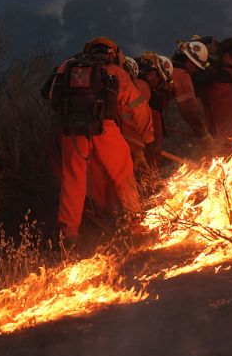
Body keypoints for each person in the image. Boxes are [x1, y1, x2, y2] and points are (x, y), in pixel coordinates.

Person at [46, 37, 153, 248]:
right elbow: (138, 106)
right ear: (113, 52)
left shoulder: (68, 67)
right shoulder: (115, 71)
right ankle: (136, 226)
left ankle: (68, 234)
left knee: (73, 180)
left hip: (72, 131)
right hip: (105, 128)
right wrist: (148, 137)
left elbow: (51, 95)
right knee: (123, 175)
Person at [169, 40, 214, 153]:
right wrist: (203, 134)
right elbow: (188, 110)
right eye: (196, 66)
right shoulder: (181, 74)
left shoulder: (173, 69)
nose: (195, 71)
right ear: (189, 60)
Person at [137, 52, 174, 167]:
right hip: (141, 147)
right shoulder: (144, 89)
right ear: (153, 73)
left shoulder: (135, 84)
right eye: (160, 81)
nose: (160, 85)